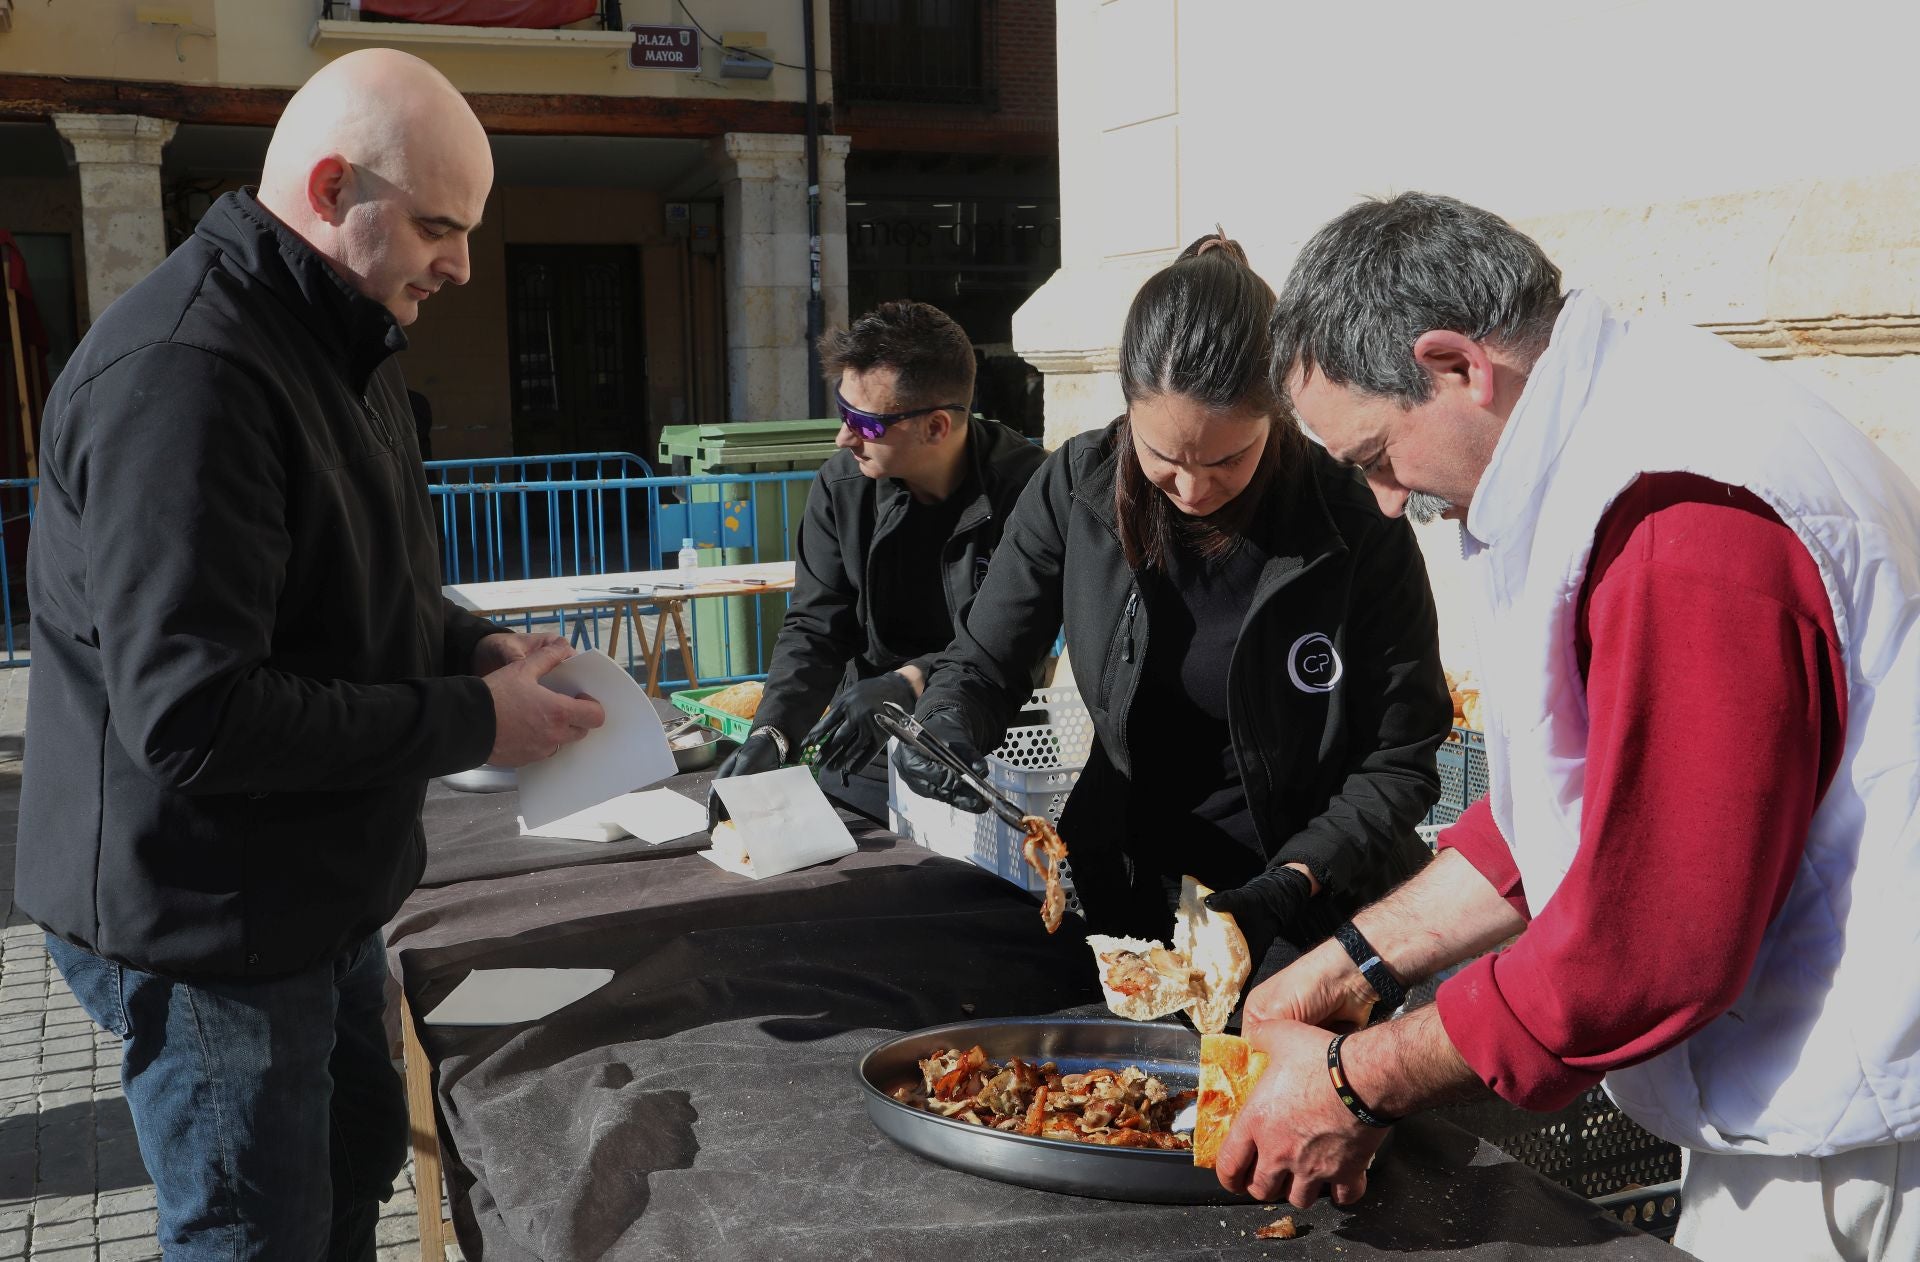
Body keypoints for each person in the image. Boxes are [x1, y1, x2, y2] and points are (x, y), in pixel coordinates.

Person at [1221, 192, 1920, 1262]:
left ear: (1457, 365)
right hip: (1803, 1110)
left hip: (1854, 1145)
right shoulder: (1624, 431)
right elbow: (1570, 808)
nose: (1381, 499)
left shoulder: (1681, 520)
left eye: (1375, 453)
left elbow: (1651, 940)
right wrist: (1357, 960)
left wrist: (1359, 1082)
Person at [16, 49, 605, 1260]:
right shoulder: (189, 376)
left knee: (346, 1175)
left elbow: (359, 587)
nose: (461, 264)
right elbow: (196, 717)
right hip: (209, 926)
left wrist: (470, 641)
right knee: (257, 1233)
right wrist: (472, 720)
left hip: (310, 897)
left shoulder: (339, 334)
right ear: (334, 189)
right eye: (440, 226)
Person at [896, 233, 1451, 977]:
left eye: (1225, 460)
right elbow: (988, 657)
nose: (1191, 490)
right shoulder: (1078, 488)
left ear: (1278, 415)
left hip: (1306, 898)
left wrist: (1291, 882)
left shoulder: (1352, 524)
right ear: (1127, 410)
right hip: (1125, 883)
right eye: (1163, 457)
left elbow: (1399, 759)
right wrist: (950, 723)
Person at [709, 301, 1046, 821]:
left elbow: (1015, 641)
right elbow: (815, 627)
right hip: (864, 741)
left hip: (996, 742)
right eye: (841, 411)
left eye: (861, 422)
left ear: (936, 426)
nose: (843, 437)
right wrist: (774, 733)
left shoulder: (1030, 493)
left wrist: (909, 680)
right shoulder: (841, 486)